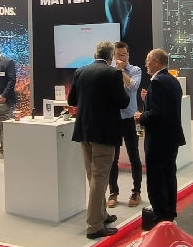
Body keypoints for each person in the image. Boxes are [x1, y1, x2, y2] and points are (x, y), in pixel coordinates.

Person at [67, 41, 130, 239]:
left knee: (93, 177)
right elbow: (123, 102)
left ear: (96, 54)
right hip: (104, 133)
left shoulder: (80, 71)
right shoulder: (113, 73)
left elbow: (72, 101)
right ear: (111, 57)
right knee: (100, 178)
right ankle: (94, 226)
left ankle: (101, 214)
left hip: (84, 131)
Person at [135, 48, 186, 225]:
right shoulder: (172, 80)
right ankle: (168, 212)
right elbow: (166, 108)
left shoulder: (157, 82)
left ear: (156, 61)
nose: (145, 64)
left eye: (148, 60)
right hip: (171, 138)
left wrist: (141, 116)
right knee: (169, 175)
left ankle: (160, 214)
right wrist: (148, 100)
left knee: (157, 178)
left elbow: (158, 113)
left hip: (158, 139)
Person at [107, 42, 143, 208]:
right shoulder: (109, 71)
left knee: (134, 156)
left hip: (129, 118)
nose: (121, 58)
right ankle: (113, 192)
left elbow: (133, 86)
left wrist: (121, 71)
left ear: (128, 55)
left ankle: (136, 191)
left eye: (123, 55)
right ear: (114, 56)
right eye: (118, 55)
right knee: (112, 158)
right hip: (114, 119)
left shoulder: (135, 70)